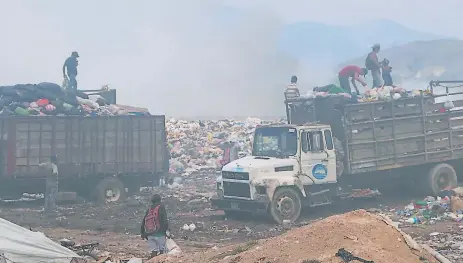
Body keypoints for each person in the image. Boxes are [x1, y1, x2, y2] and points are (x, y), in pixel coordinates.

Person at [141, 194, 169, 258]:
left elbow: (144, 221)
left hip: (149, 235)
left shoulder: (149, 209)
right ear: (160, 200)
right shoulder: (161, 206)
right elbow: (165, 220)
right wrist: (166, 231)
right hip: (159, 234)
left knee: (153, 252)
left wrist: (143, 233)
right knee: (162, 252)